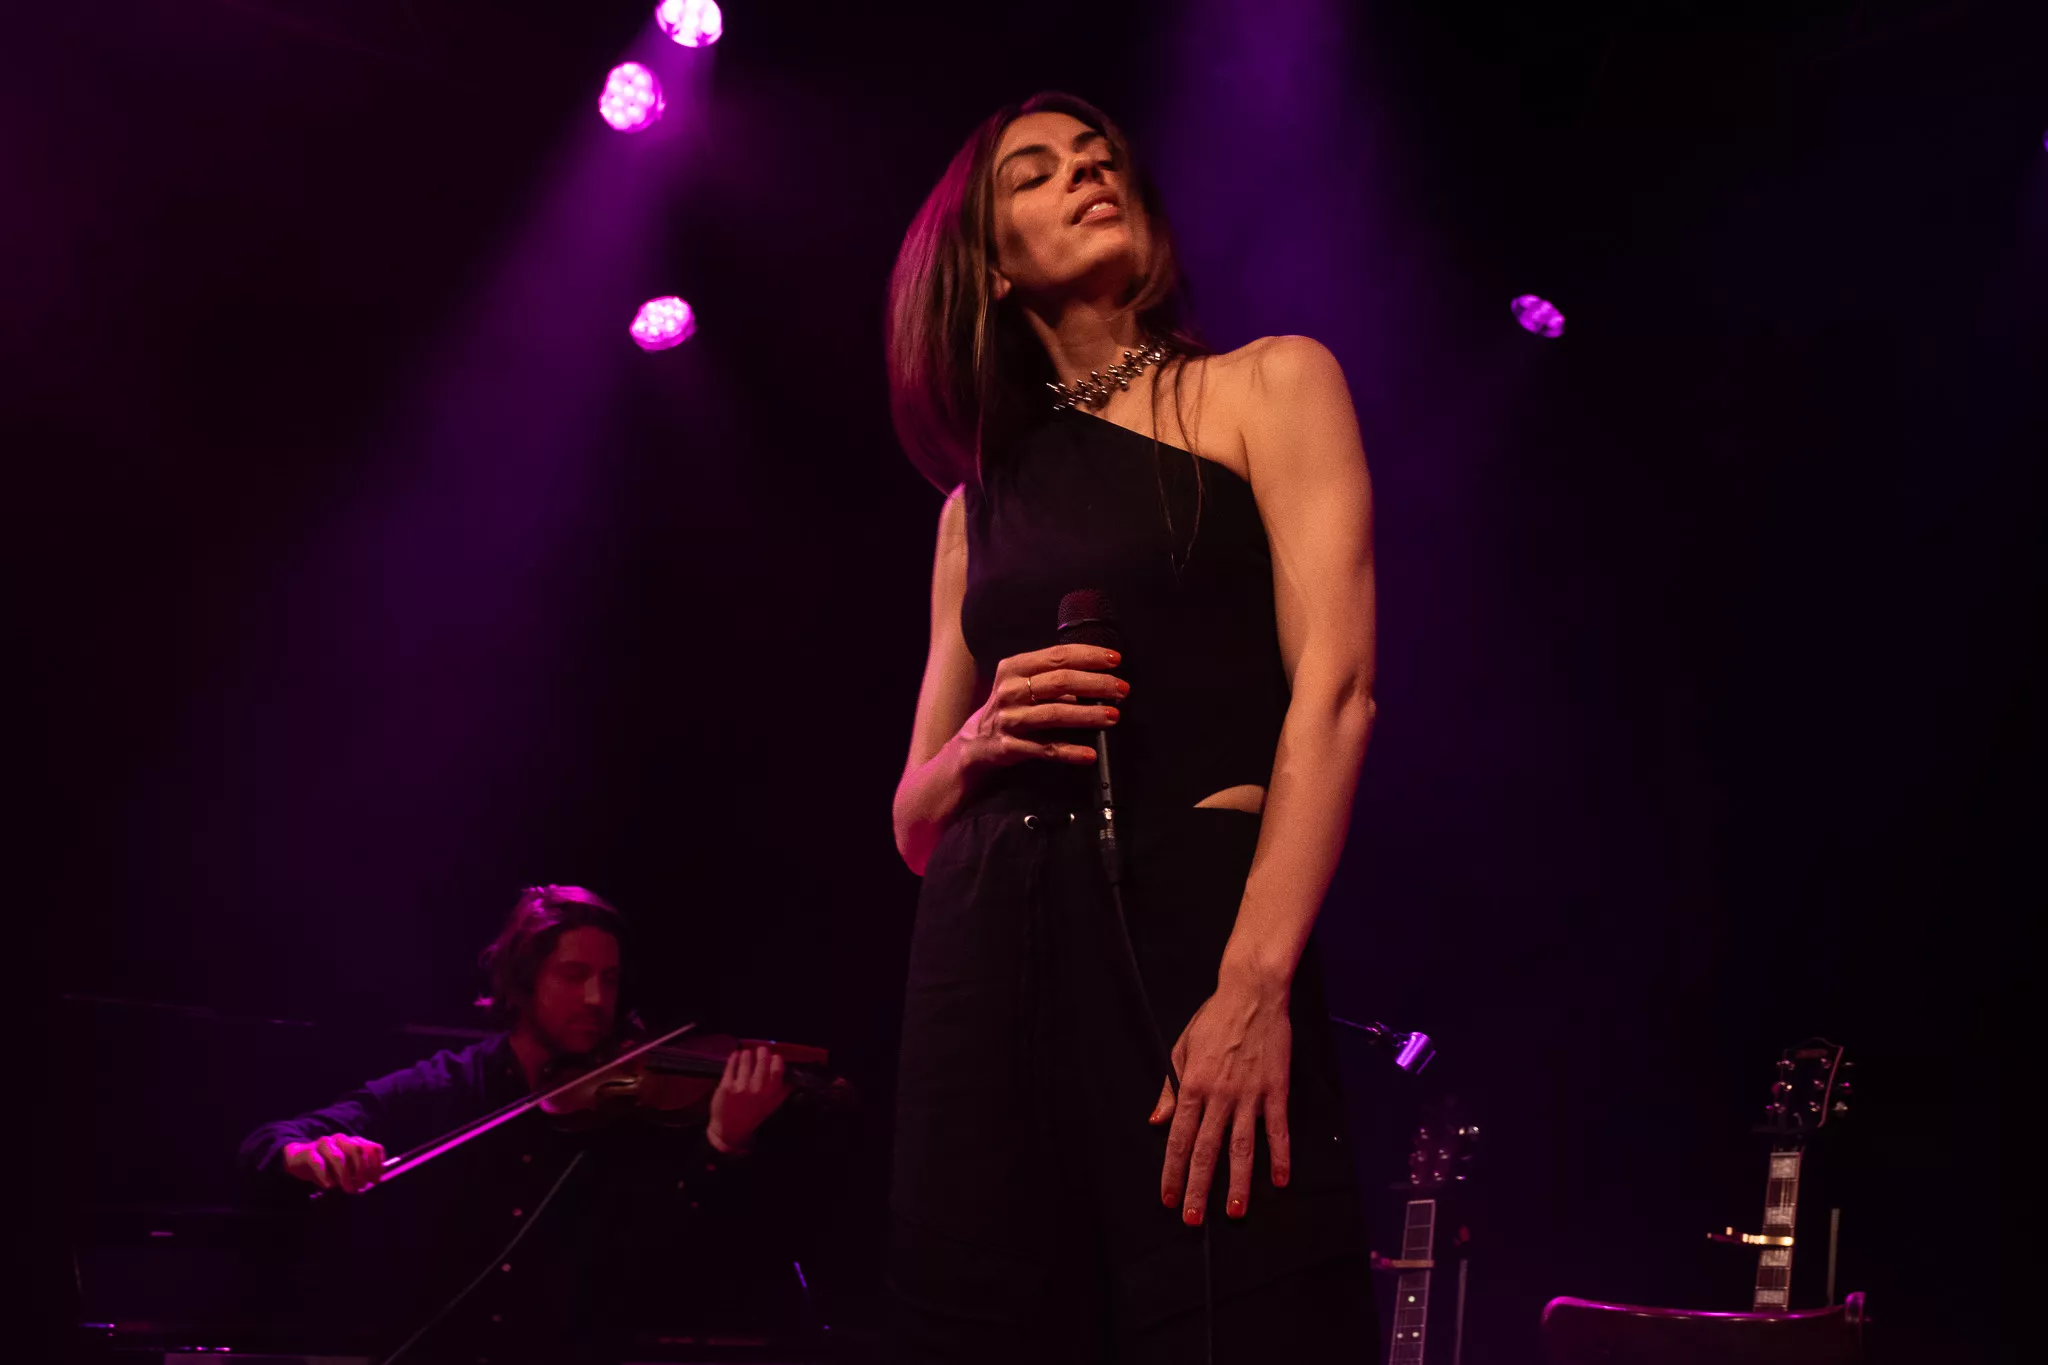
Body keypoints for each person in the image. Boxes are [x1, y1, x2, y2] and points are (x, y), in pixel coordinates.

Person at [885, 92, 1380, 1361]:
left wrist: (1252, 986)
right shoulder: (971, 509)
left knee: (1237, 1301)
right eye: (1036, 172)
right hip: (986, 959)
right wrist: (977, 740)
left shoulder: (1268, 383)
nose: (1085, 174)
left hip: (1189, 931)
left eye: (1097, 157)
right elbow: (914, 828)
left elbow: (1335, 692)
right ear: (989, 265)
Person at [239, 885, 795, 1361]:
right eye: (574, 975)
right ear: (523, 982)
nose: (597, 998)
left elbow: (670, 1260)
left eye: (609, 979)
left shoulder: (633, 1111)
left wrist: (723, 1143)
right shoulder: (446, 1086)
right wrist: (309, 1156)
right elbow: (268, 1142)